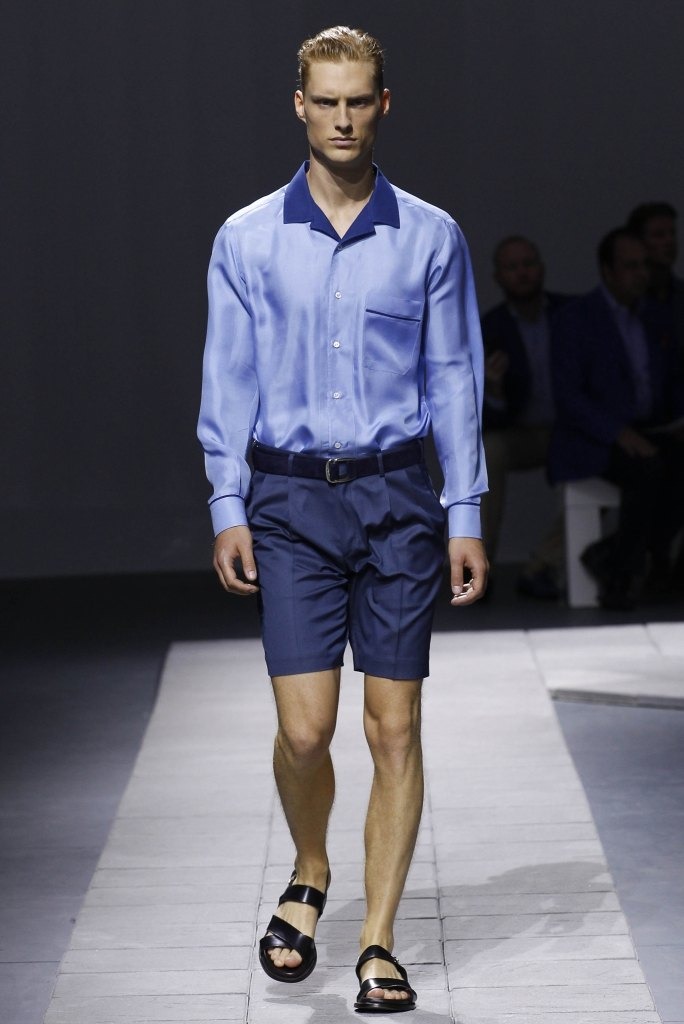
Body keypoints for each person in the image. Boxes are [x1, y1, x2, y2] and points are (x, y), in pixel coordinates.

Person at [197, 25, 488, 1013]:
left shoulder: (431, 236)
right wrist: (227, 500)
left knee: (393, 726)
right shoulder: (245, 238)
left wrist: (463, 509)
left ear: (384, 104)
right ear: (299, 106)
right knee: (307, 728)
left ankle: (378, 941)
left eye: (359, 100)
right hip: (287, 501)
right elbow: (228, 377)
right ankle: (312, 866)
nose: (343, 119)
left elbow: (454, 377)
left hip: (398, 498)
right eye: (325, 101)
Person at [549, 227, 684, 609]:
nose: (640, 274)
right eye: (630, 266)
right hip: (592, 437)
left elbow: (670, 379)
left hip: (649, 429)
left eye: (644, 266)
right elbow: (569, 396)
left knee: (673, 464)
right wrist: (618, 433)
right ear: (607, 271)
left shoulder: (654, 316)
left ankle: (615, 555)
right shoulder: (576, 319)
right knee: (647, 470)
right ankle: (621, 576)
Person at [480, 236, 571, 599]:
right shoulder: (490, 327)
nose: (522, 273)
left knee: (614, 454)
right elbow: (480, 414)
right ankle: (478, 568)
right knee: (487, 451)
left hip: (573, 430)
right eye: (512, 267)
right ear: (498, 277)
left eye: (528, 264)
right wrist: (494, 390)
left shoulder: (571, 313)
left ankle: (543, 564)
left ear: (541, 268)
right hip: (522, 434)